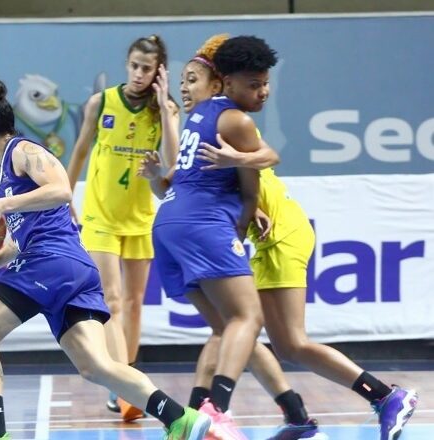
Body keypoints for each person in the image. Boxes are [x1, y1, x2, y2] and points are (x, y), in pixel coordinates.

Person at [156, 34, 417, 440]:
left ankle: (216, 409)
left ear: (216, 81)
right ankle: (312, 415)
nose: (185, 89)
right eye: (183, 82)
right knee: (276, 341)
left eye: (192, 80)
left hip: (282, 233)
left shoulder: (234, 124)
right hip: (251, 233)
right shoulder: (209, 121)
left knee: (253, 329)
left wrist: (243, 187)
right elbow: (217, 184)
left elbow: (259, 169)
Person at [0, 78, 210, 440]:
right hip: (70, 267)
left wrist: (0, 205)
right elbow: (22, 236)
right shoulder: (0, 176)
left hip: (51, 261)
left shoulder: (22, 151)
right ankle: (180, 418)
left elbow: (60, 189)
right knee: (96, 365)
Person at [141, 34, 326, 440]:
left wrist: (246, 210)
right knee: (248, 317)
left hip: (169, 222)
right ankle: (215, 410)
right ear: (225, 82)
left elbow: (230, 185)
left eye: (264, 84)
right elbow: (268, 158)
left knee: (230, 328)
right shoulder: (235, 120)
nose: (261, 92)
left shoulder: (199, 117)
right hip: (202, 225)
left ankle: (291, 414)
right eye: (253, 84)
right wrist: (242, 166)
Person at [65, 35, 180, 420]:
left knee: (133, 305)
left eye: (147, 69)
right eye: (133, 65)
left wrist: (165, 110)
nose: (138, 74)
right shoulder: (102, 103)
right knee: (111, 300)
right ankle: (126, 384)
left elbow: (173, 165)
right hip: (99, 215)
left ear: (159, 72)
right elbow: (80, 150)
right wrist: (64, 197)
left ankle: (124, 388)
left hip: (140, 219)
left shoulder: (165, 111)